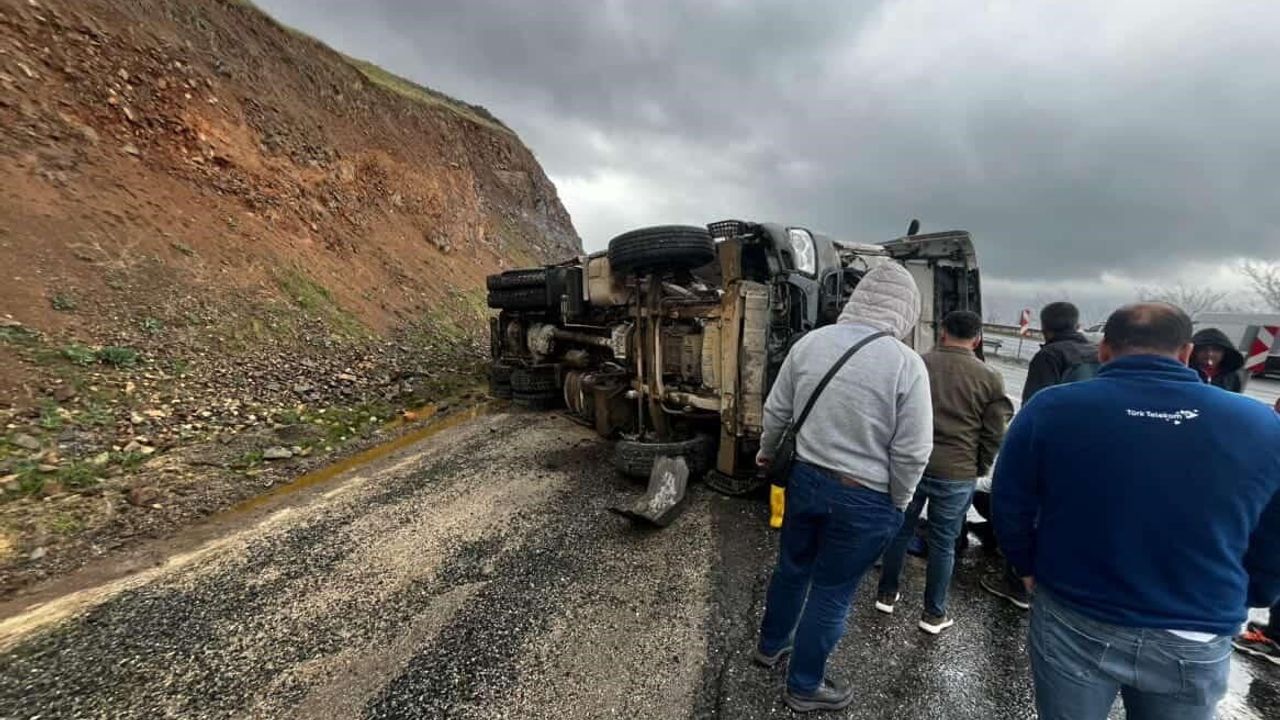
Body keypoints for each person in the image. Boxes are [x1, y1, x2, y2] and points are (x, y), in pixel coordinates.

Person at [993, 303, 1280, 720]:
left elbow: (1011, 500)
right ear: (1186, 353)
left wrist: (1024, 565)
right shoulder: (1262, 426)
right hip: (1197, 627)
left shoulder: (1052, 409)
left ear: (1104, 351)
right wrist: (1252, 592)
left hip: (1076, 611)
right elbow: (1274, 532)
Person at [753, 262, 932, 713]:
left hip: (806, 479)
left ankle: (771, 646)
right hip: (866, 498)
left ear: (858, 296)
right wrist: (900, 499)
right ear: (908, 309)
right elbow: (912, 451)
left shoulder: (810, 343)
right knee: (832, 592)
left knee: (792, 569)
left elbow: (777, 411)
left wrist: (765, 452)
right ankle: (805, 685)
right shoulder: (906, 364)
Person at [875, 310, 1013, 634]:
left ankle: (886, 594)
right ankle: (933, 614)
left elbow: (893, 414)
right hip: (957, 471)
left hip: (911, 463)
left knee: (900, 529)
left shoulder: (917, 363)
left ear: (942, 332)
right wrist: (978, 466)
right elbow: (995, 432)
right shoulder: (990, 378)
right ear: (977, 338)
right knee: (942, 543)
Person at [979, 300, 1100, 608]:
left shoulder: (1050, 356)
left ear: (1045, 328)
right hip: (1091, 449)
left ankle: (1016, 584)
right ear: (1076, 324)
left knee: (1024, 509)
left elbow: (1036, 406)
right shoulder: (1098, 354)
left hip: (1054, 448)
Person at [1190, 327, 1247, 392]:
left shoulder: (1232, 377)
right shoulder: (1185, 371)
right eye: (1203, 349)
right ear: (1194, 351)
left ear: (1224, 352)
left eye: (1216, 349)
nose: (1209, 354)